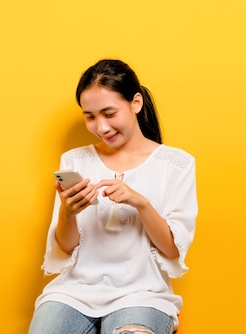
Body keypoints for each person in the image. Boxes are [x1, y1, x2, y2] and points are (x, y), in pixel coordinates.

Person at [28, 59, 197, 334]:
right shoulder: (75, 161)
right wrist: (68, 212)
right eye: (90, 116)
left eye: (109, 113)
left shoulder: (176, 164)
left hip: (142, 294)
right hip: (73, 293)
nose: (101, 127)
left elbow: (172, 250)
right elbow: (68, 248)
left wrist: (140, 203)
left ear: (136, 103)